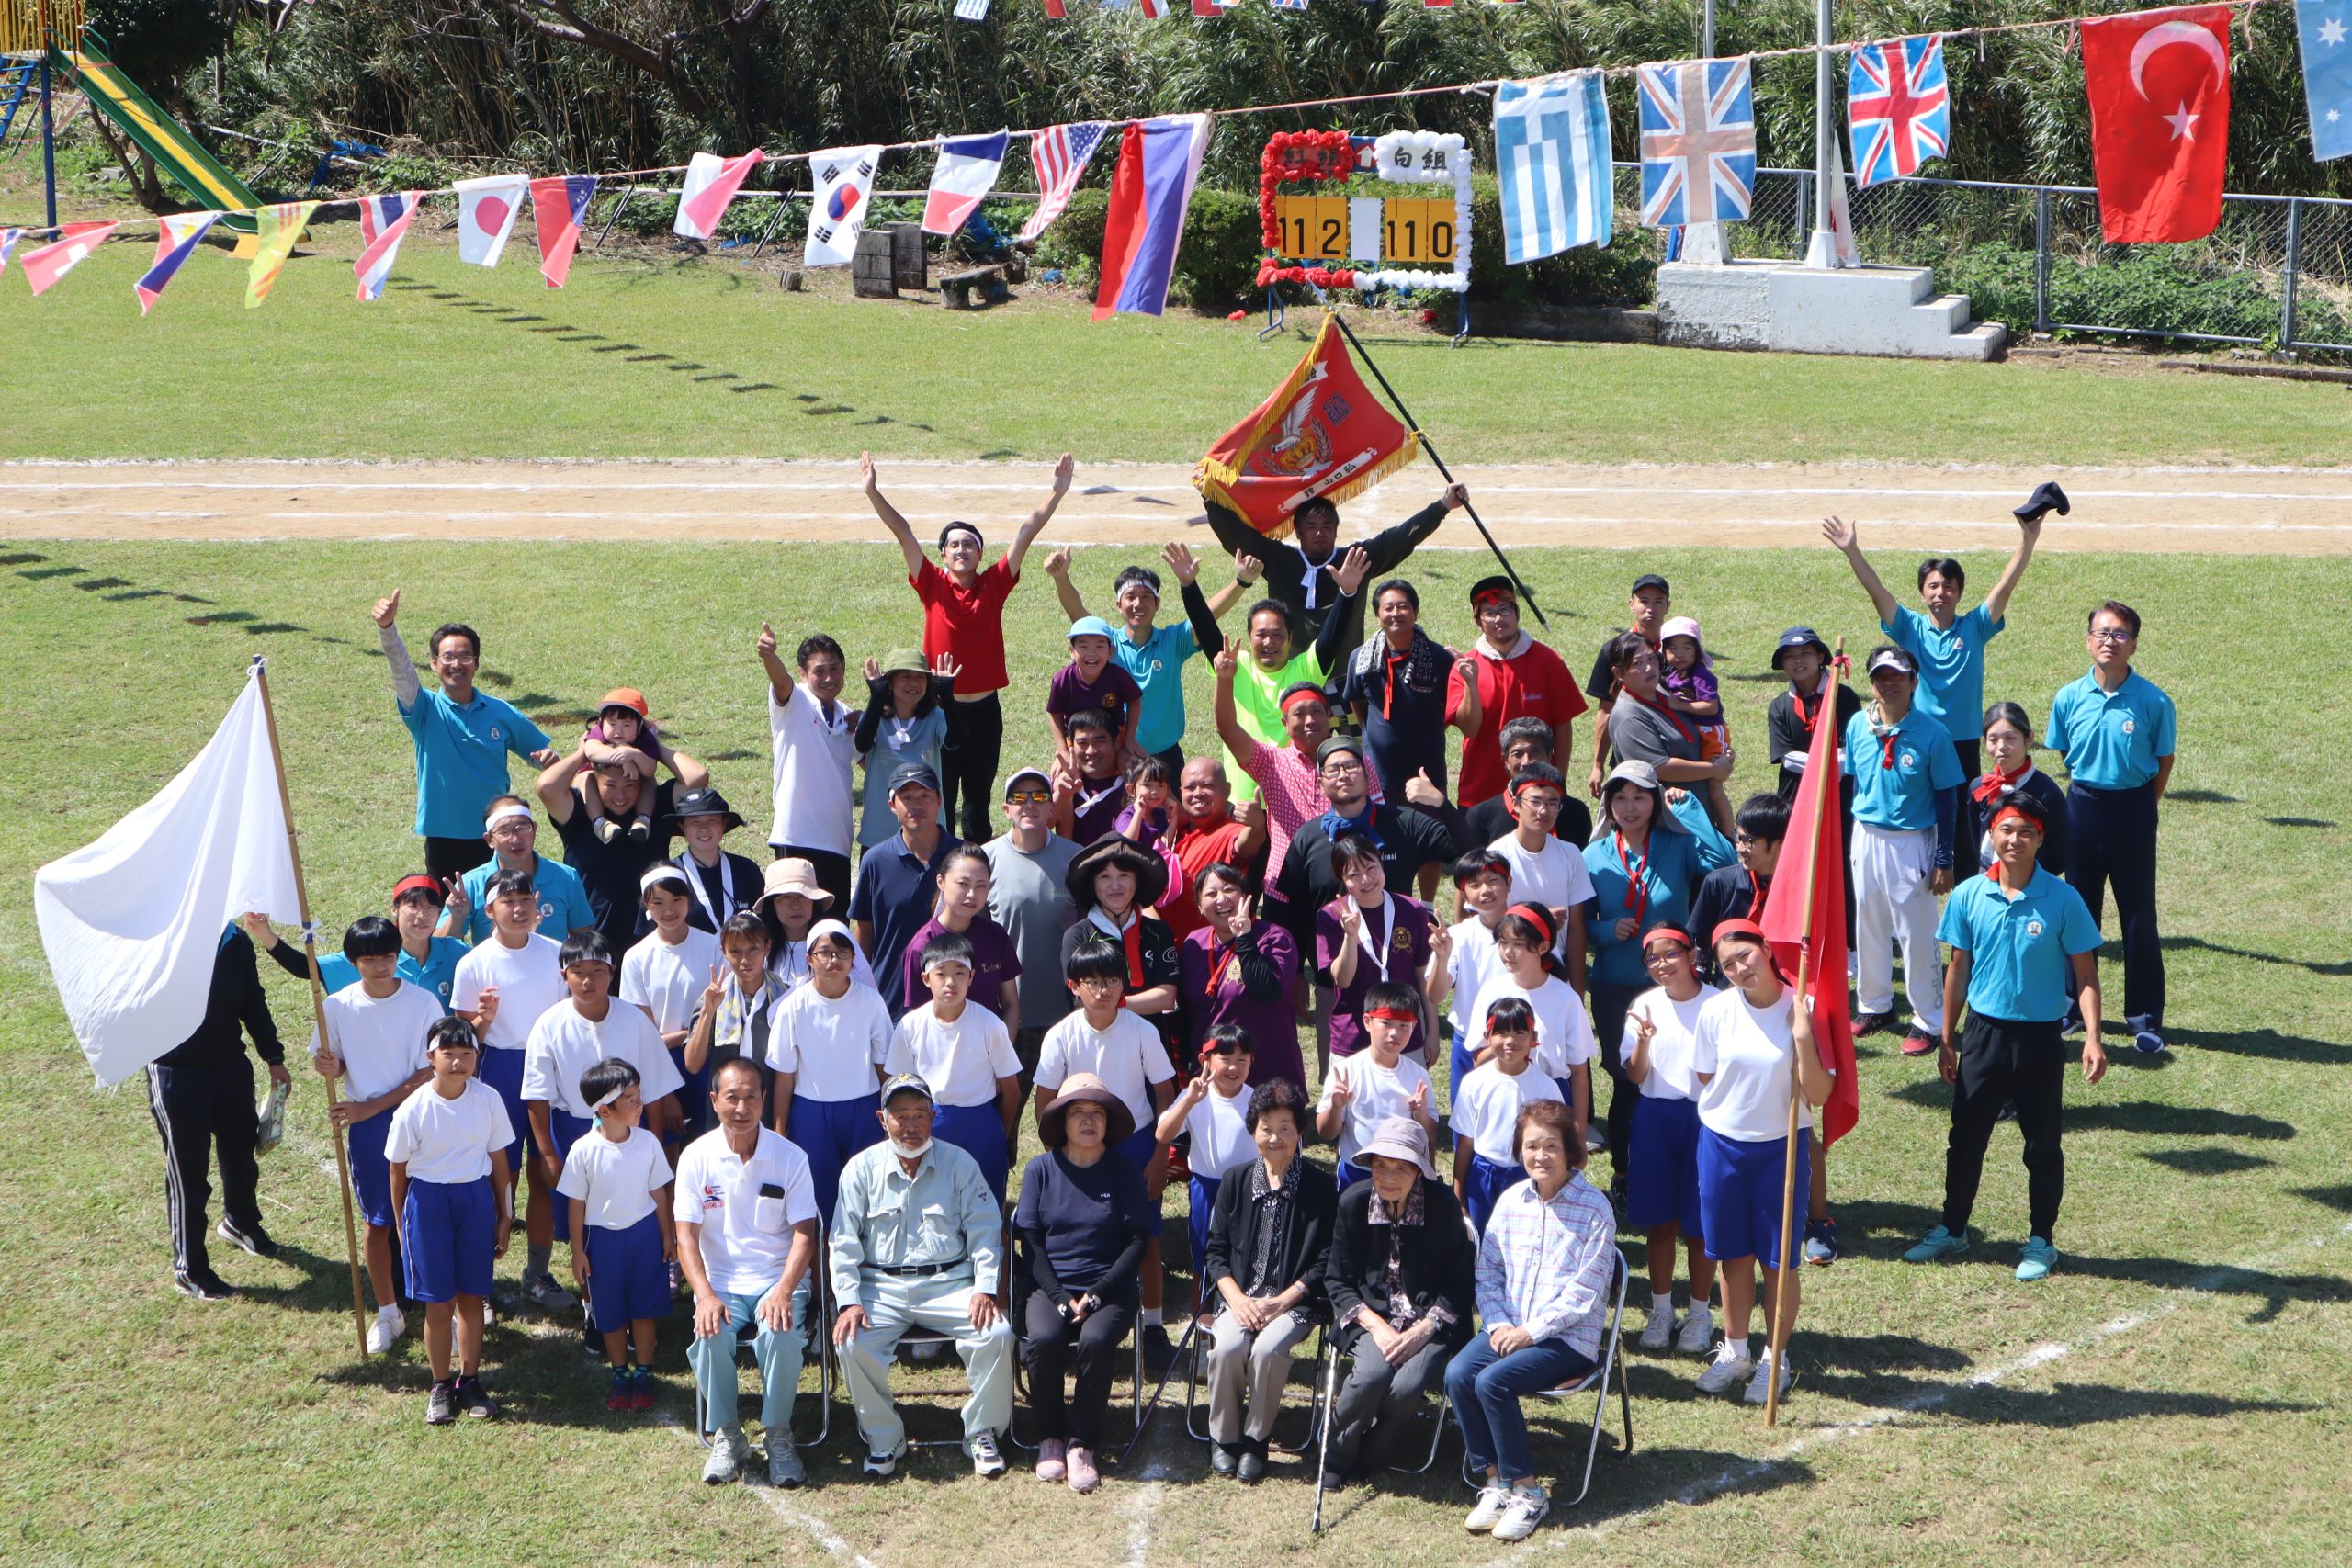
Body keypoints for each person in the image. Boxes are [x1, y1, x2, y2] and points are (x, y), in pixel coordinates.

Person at [1907, 792, 2108, 1280]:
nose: (2014, 840)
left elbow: (2086, 976)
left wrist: (2094, 1037)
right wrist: (1948, 1038)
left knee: (2041, 1143)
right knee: (1966, 1136)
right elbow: (1958, 969)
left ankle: (2041, 1240)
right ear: (1991, 837)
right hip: (1983, 1034)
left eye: (2025, 832)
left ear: (2041, 839)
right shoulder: (1970, 895)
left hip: (2039, 1039)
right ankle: (1952, 1229)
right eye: (2006, 830)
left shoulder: (2063, 899)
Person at [866, 448, 1071, 842]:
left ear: (980, 553)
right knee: (941, 799)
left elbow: (1026, 531)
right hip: (939, 709)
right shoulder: (931, 584)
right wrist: (873, 492)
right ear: (942, 555)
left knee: (977, 803)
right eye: (953, 545)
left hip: (985, 711)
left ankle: (976, 877)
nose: (961, 550)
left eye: (969, 544)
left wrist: (1057, 493)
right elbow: (903, 532)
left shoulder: (994, 583)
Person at [1445, 1100, 1617, 1543]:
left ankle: (1528, 1492)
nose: (1540, 1156)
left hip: (1566, 1339)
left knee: (1493, 1382)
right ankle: (1496, 1481)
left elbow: (1585, 1294)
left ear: (1571, 1151)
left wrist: (1529, 1332)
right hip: (1510, 1330)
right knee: (1460, 1373)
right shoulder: (1509, 1202)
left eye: (1551, 1146)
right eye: (1531, 1146)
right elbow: (1489, 1274)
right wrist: (1501, 1324)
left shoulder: (1595, 1209)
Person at [831, 1074, 1015, 1479]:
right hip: (880, 1286)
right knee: (852, 1340)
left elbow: (986, 1231)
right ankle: (884, 1436)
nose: (911, 1126)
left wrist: (986, 1289)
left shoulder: (960, 1164)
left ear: (934, 1117)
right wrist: (849, 1300)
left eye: (919, 1115)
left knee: (997, 1336)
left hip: (950, 1283)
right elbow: (842, 1243)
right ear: (883, 1119)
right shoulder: (859, 1170)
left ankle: (981, 1431)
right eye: (901, 1116)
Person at [1689, 921, 1833, 1405]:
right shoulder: (1715, 1010)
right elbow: (1707, 1074)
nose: (1738, 969)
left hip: (1781, 1146)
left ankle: (1776, 1356)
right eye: (1727, 965)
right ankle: (1734, 1351)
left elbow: (1819, 1092)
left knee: (1779, 1260)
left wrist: (1802, 1035)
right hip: (1722, 1144)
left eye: (1745, 957)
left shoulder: (1805, 1007)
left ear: (1768, 949)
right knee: (1732, 1254)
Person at [1824, 501, 2046, 796]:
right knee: (1923, 817)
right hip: (1920, 736)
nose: (1941, 592)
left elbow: (2005, 587)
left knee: (1963, 826)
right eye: (1933, 586)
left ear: (1960, 593)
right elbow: (1877, 592)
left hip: (1964, 741)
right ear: (1922, 592)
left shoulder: (1976, 626)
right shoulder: (1908, 627)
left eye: (1949, 586)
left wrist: (2027, 540)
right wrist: (1852, 550)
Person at [1584, 760, 1735, 1182]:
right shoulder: (1592, 855)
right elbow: (1583, 925)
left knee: (1683, 1076)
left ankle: (1688, 1167)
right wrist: (1607, 931)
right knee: (1628, 1080)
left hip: (1675, 984)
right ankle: (1625, 1174)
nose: (1630, 807)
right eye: (1620, 798)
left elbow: (1723, 862)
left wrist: (1691, 812)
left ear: (1655, 801)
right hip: (1615, 984)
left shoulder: (1677, 844)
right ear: (1609, 804)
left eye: (1640, 797)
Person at [677, 1055, 820, 1488]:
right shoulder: (695, 1157)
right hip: (720, 1282)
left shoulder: (790, 1157)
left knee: (779, 1330)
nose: (742, 1108)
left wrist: (782, 1291)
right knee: (710, 1334)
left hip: (778, 1277)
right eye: (732, 1098)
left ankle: (778, 1434)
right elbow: (686, 1237)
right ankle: (727, 1434)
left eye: (751, 1098)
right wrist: (704, 1295)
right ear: (714, 1100)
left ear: (764, 1100)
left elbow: (805, 1235)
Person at [1015, 1073, 1161, 1493]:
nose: (1088, 1120)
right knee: (1042, 1338)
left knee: (1096, 1341)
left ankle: (1082, 1443)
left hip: (1110, 1289)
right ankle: (1049, 1436)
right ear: (1061, 1121)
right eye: (1078, 1112)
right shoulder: (1040, 1170)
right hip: (1051, 1286)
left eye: (1096, 1112)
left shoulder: (1125, 1171)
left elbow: (1137, 1243)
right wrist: (1062, 1299)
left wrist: (1096, 1294)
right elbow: (1032, 1244)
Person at [1037, 941, 1180, 1366]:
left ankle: (1153, 1324)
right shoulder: (1061, 1034)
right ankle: (1074, 1312)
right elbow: (1045, 1102)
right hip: (1077, 1145)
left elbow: (1165, 1094)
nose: (1103, 991)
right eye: (1093, 982)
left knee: (1146, 1234)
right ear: (1073, 986)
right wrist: (1058, 1159)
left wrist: (1159, 1155)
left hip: (1134, 1141)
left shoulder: (1142, 1031)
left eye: (1112, 981)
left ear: (1125, 984)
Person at [1321, 1115, 1476, 1491]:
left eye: (1401, 1169)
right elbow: (1337, 1280)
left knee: (1408, 1387)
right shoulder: (1353, 1204)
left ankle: (1375, 1448)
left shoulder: (1443, 1207)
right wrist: (1377, 1326)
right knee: (1372, 1375)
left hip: (1430, 1321)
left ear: (1419, 1171)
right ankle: (1338, 1453)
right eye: (1380, 1167)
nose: (1389, 1177)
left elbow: (1459, 1286)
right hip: (1371, 1316)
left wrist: (1423, 1330)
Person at [2048, 600, 2176, 1052]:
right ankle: (2070, 1007)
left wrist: (2140, 803)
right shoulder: (2067, 697)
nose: (2110, 641)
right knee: (2077, 912)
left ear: (2134, 643)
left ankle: (2144, 1017)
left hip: (2134, 811)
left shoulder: (2154, 700)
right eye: (2102, 633)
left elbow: (2163, 761)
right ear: (2088, 640)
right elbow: (2065, 753)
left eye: (2120, 634)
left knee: (2139, 914)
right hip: (2082, 807)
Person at [523, 933, 686, 1282]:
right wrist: (549, 1154)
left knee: (635, 1205)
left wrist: (653, 1142)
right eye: (577, 971)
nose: (588, 980)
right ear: (563, 976)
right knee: (584, 1213)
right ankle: (592, 1301)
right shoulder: (548, 1024)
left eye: (598, 970)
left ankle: (654, 1269)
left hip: (632, 1129)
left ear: (612, 973)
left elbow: (654, 1089)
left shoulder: (634, 1020)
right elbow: (536, 1096)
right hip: (573, 1129)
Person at [310, 916, 437, 1350]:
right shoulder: (337, 1008)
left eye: (387, 957)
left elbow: (431, 1070)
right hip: (369, 1131)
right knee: (377, 1221)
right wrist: (330, 1066)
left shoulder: (422, 1004)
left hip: (421, 1119)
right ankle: (387, 1313)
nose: (381, 966)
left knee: (430, 1214)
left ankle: (444, 1305)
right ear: (353, 962)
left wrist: (373, 1105)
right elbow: (334, 1061)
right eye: (370, 960)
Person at [448, 868, 573, 1313]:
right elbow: (464, 1042)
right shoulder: (473, 963)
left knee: (544, 1173)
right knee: (499, 1177)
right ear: (490, 909)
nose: (519, 910)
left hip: (548, 1070)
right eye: (508, 902)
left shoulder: (558, 955)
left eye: (526, 901)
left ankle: (536, 1274)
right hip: (497, 1071)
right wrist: (481, 1019)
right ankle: (480, 1282)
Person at [1199, 1076, 1336, 1483]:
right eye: (1266, 1128)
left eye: (1285, 1129)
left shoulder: (1319, 1187)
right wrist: (1238, 1300)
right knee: (1226, 1347)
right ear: (1253, 1129)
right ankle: (1223, 1438)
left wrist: (1281, 1302)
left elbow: (1325, 1259)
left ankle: (1256, 1439)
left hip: (1293, 1303)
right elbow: (1215, 1252)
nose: (1274, 1138)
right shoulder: (1235, 1181)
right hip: (1238, 1297)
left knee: (1268, 1350)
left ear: (1299, 1133)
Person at [370, 590, 557, 883]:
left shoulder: (500, 711)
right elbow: (401, 672)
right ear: (433, 664)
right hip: (443, 837)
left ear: (476, 664)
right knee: (447, 919)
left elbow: (541, 756)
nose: (456, 664)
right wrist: (387, 629)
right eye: (447, 657)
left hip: (496, 834)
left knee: (499, 914)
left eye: (465, 656)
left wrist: (546, 761)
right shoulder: (424, 709)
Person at [386, 1016, 514, 1424]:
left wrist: (505, 1215)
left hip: (474, 1201)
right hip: (428, 1203)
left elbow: (499, 1162)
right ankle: (441, 1384)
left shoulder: (489, 1099)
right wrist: (403, 1226)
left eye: (466, 1054)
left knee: (471, 1298)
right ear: (431, 1057)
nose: (458, 1062)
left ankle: (470, 1379)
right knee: (438, 1304)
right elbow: (397, 1170)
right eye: (449, 1054)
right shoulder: (414, 1108)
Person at [1047, 540, 1262, 773]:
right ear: (1119, 605)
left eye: (1146, 597)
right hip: (1119, 757)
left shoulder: (1173, 641)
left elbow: (1207, 615)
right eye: (1130, 597)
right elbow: (1077, 613)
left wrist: (1242, 581)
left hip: (1167, 756)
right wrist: (1061, 578)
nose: (1138, 603)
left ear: (1157, 603)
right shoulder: (1106, 644)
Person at [1844, 647, 1966, 1054]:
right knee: (1869, 922)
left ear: (1914, 682)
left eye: (1897, 676)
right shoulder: (1857, 726)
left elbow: (1948, 797)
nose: (1888, 683)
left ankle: (1928, 1018)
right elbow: (1854, 781)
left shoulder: (1933, 734)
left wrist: (1945, 858)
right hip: (1865, 835)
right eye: (1880, 676)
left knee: (1915, 932)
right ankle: (1874, 1004)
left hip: (1912, 840)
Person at [1205, 481, 1467, 653]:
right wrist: (1210, 496)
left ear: (1336, 530)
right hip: (1291, 672)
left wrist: (1442, 507)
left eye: (1327, 526)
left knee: (1344, 740)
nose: (1319, 532)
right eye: (1311, 526)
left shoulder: (1354, 561)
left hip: (1342, 677)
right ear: (1297, 532)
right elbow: (1237, 535)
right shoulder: (1279, 560)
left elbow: (1400, 538)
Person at [1620, 928, 1721, 1356]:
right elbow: (1636, 1075)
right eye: (1653, 959)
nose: (1662, 964)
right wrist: (1643, 1042)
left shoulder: (1717, 1003)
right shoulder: (1644, 1005)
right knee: (1661, 1222)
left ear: (1690, 954)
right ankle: (1662, 1309)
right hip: (1655, 1118)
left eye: (1671, 954)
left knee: (1700, 1226)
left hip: (1703, 1118)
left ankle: (1699, 1312)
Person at [559, 1057, 676, 1414]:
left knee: (644, 1310)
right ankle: (620, 1373)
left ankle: (644, 1372)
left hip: (643, 1238)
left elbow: (659, 1192)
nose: (640, 1105)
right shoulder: (584, 1150)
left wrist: (667, 1235)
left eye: (639, 1096)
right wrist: (578, 1251)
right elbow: (576, 1204)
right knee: (610, 1313)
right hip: (602, 1242)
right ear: (605, 1110)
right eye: (631, 1100)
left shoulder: (648, 1143)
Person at [1192, 571, 1365, 809]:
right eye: (1261, 635)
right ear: (1250, 638)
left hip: (1296, 801)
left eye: (1277, 635)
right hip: (1243, 803)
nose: (1268, 642)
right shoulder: (1235, 665)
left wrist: (1347, 594)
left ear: (1290, 638)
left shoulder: (1306, 668)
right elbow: (1204, 626)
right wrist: (1188, 585)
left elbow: (1331, 639)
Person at [1274, 733, 1460, 944]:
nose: (1343, 775)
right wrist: (1298, 973)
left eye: (1351, 766)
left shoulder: (1403, 823)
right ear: (1321, 783)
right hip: (1335, 969)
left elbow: (1465, 847)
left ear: (1368, 775)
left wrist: (1440, 803)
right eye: (1332, 770)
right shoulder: (1308, 837)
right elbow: (1294, 911)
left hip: (1401, 959)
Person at [537, 739, 712, 956]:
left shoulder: (654, 811)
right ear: (594, 782)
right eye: (610, 786)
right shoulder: (580, 813)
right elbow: (546, 787)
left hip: (651, 942)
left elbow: (697, 778)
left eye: (630, 786)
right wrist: (585, 751)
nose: (621, 796)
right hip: (593, 944)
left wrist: (653, 747)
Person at [768, 917, 893, 1223]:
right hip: (812, 1113)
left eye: (842, 952)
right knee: (818, 1199)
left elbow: (884, 1069)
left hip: (863, 1110)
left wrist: (892, 1119)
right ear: (809, 958)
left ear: (853, 959)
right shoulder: (792, 1007)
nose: (834, 959)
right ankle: (821, 1266)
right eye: (824, 952)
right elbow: (783, 1080)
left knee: (865, 1195)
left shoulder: (871, 1002)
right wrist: (779, 1137)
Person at [884, 932, 1023, 1203]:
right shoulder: (911, 1025)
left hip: (981, 1123)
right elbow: (895, 1086)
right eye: (941, 973)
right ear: (925, 979)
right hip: (930, 1122)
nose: (951, 982)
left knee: (985, 1201)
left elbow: (1011, 1090)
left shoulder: (990, 1024)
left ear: (971, 977)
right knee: (932, 1201)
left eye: (960, 973)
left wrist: (997, 1131)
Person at [1338, 578, 1486, 806]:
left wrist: (1430, 728)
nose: (1396, 613)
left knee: (1430, 835)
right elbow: (1358, 703)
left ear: (1415, 612)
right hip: (1378, 775)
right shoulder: (1361, 659)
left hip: (1427, 774)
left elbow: (1450, 712)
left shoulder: (1438, 658)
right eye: (1388, 608)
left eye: (1403, 606)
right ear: (1377, 616)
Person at [1156, 1024, 1266, 1323]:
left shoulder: (1259, 1100)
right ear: (1206, 1061)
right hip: (1207, 1190)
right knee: (1204, 1262)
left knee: (1249, 1259)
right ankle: (1204, 1332)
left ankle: (1245, 1323)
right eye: (1225, 1059)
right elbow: (1163, 1134)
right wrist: (1190, 1100)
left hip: (1250, 1190)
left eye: (1242, 1059)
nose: (1234, 1067)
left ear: (1252, 1062)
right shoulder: (1194, 1096)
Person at [248, 872, 471, 1010]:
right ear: (394, 909)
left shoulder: (456, 951)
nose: (422, 916)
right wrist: (266, 935)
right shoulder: (376, 954)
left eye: (431, 908)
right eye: (413, 906)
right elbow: (306, 968)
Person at [982, 766, 1083, 1068]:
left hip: (1067, 1013)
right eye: (1019, 797)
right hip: (1009, 1014)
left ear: (1052, 806)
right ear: (1006, 809)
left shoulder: (1076, 859)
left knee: (1069, 1112)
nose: (1030, 804)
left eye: (1039, 796)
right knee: (1006, 1112)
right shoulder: (985, 860)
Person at [1458, 578, 1587, 810]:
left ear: (1517, 613)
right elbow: (1469, 729)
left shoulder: (1548, 661)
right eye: (1489, 613)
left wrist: (1558, 780)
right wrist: (1470, 684)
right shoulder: (1466, 667)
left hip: (1538, 795)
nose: (1499, 618)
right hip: (1480, 797)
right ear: (1478, 621)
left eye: (1505, 609)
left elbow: (1563, 725)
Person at [1313, 833, 1440, 1068]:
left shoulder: (1412, 910)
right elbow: (1343, 980)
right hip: (1353, 1036)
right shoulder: (1331, 916)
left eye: (1371, 868)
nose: (1365, 879)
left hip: (1404, 1033)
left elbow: (1423, 976)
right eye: (1353, 875)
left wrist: (1432, 1030)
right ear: (1342, 879)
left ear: (1381, 864)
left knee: (1409, 1102)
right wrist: (1350, 936)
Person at [757, 625, 859, 912]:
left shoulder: (846, 714)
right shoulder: (795, 701)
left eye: (835, 669)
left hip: (838, 842)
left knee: (833, 928)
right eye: (818, 671)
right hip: (797, 837)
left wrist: (874, 720)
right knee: (794, 928)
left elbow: (865, 761)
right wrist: (769, 656)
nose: (828, 678)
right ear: (802, 673)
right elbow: (781, 683)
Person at [849, 763, 962, 1020]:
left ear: (939, 801)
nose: (916, 805)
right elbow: (865, 932)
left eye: (925, 796)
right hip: (889, 1004)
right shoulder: (875, 861)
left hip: (953, 1005)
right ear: (892, 805)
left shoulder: (963, 858)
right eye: (907, 797)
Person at [1058, 834, 1183, 1066]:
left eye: (1124, 876)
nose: (1115, 886)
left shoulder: (1158, 932)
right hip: (1095, 1043)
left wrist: (1116, 1003)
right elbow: (1078, 999)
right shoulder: (1077, 936)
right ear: (1093, 884)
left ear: (1137, 881)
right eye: (1105, 877)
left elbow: (1167, 997)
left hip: (1151, 1040)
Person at [1178, 863, 1304, 1090]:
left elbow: (1268, 991)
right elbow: (1188, 1012)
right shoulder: (1193, 943)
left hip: (1267, 1072)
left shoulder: (1274, 937)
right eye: (1210, 893)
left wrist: (1244, 939)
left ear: (1245, 896)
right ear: (1199, 905)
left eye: (1228, 890)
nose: (1221, 899)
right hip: (1213, 1073)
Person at [1464, 905, 1596, 1119]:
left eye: (1518, 944)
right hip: (1502, 1092)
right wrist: (1515, 1047)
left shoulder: (1566, 998)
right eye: (1503, 943)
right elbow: (1478, 1059)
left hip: (1551, 1098)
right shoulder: (1491, 991)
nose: (1508, 952)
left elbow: (1579, 1071)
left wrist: (1579, 1134)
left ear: (1543, 947)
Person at [1450, 996, 1569, 1235]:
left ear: (1534, 1039)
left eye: (1520, 1033)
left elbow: (1559, 1145)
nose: (1510, 1041)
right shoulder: (1474, 1083)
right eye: (1501, 1033)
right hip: (1483, 1176)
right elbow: (1465, 1144)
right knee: (1483, 1241)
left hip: (1528, 1175)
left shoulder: (1547, 1088)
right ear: (1487, 1037)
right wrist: (1459, 1198)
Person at [1595, 632, 1737, 818]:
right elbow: (1658, 767)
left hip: (1695, 817)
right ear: (1619, 673)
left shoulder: (1662, 690)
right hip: (1667, 825)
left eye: (1651, 659)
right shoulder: (1627, 716)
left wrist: (1721, 754)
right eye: (1638, 663)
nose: (1649, 668)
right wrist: (1713, 769)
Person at [622, 864, 722, 1125]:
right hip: (658, 1061)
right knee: (667, 1142)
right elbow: (641, 1032)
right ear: (646, 905)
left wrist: (685, 1036)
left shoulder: (713, 946)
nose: (669, 910)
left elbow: (724, 1013)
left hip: (708, 1058)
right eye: (658, 902)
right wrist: (664, 1093)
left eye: (677, 900)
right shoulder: (636, 957)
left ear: (689, 899)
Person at [1317, 979, 1441, 1188]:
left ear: (1414, 1026)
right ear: (1367, 1021)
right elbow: (1325, 1131)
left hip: (1403, 1174)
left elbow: (1430, 1133)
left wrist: (1421, 1115)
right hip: (1356, 1173)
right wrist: (1335, 1106)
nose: (1395, 1033)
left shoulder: (1418, 1075)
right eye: (1386, 1023)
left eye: (1404, 1025)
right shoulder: (1346, 1071)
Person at [684, 911, 789, 1134]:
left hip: (771, 1105)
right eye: (735, 951)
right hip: (726, 1108)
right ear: (723, 952)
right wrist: (708, 1012)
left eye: (753, 949)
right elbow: (692, 1064)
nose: (745, 960)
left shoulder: (786, 998)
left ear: (767, 948)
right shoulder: (712, 997)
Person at [898, 844, 1023, 1029]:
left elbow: (1010, 1004)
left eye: (981, 886)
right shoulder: (920, 947)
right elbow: (917, 1019)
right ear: (941, 881)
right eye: (963, 884)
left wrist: (1001, 1051)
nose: (972, 894)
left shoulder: (996, 935)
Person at [1424, 849, 1513, 1098]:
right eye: (1474, 884)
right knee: (1466, 1127)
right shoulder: (1459, 935)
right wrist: (1442, 959)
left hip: (1516, 1041)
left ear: (1509, 883)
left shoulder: (1527, 933)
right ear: (1464, 894)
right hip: (1468, 1041)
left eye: (1493, 881)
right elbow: (1436, 995)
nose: (1485, 890)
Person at [1428, 717, 1593, 852]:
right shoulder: (1481, 815)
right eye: (1517, 754)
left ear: (1550, 756)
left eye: (1535, 752)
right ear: (1506, 761)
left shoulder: (1575, 813)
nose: (1527, 762)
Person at [1484, 765, 1598, 955]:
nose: (1544, 811)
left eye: (1553, 803)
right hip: (1507, 963)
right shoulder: (1496, 855)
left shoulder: (1571, 854)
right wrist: (1538, 921)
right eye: (1535, 801)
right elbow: (1486, 919)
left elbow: (1576, 927)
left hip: (1556, 964)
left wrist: (1575, 985)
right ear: (1516, 804)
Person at [450, 797, 594, 946]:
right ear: (489, 840)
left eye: (522, 828)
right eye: (504, 831)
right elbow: (443, 948)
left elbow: (583, 940)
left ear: (535, 829)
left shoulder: (566, 877)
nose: (515, 839)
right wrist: (456, 918)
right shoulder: (472, 883)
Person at [854, 647, 959, 851]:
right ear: (890, 682)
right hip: (879, 833)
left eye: (920, 678)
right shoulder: (876, 716)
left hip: (928, 833)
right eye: (905, 677)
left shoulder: (935, 716)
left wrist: (948, 699)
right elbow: (862, 743)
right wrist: (876, 698)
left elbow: (955, 741)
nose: (914, 683)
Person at [1582, 574, 1671, 798]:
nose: (1650, 608)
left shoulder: (1680, 650)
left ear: (1668, 606)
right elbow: (1606, 710)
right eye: (1644, 600)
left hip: (1676, 753)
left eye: (1658, 601)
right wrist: (1597, 765)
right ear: (1631, 604)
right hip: (1628, 756)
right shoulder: (1613, 651)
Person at [1961, 703, 2072, 880]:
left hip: (2032, 885)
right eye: (1993, 739)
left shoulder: (2046, 792)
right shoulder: (1979, 788)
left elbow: (2061, 852)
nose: (2001, 746)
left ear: (2028, 739)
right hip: (1988, 880)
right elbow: (1976, 839)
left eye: (2010, 738)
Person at [1161, 758, 1266, 943]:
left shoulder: (1230, 831)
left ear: (1226, 790)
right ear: (1180, 792)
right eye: (1190, 788)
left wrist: (1257, 826)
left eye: (1207, 785)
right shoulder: (1172, 829)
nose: (1198, 793)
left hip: (1205, 953)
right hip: (1163, 952)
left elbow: (1246, 845)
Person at [571, 688, 688, 845]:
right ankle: (599, 822)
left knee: (649, 780)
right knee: (584, 778)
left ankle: (643, 820)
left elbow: (650, 769)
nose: (618, 731)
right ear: (601, 721)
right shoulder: (597, 731)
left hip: (633, 781)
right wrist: (622, 758)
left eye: (627, 725)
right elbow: (591, 751)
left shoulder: (645, 736)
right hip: (595, 780)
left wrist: (635, 755)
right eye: (612, 723)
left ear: (639, 726)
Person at [1690, 793, 1788, 970]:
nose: (1739, 848)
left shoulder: (1800, 890)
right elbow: (1701, 946)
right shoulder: (1718, 883)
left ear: (1778, 844)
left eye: (1748, 841)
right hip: (1731, 986)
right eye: (1738, 837)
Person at [1657, 615, 1735, 833]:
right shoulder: (1673, 674)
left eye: (1687, 648)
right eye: (1673, 649)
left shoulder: (1701, 674)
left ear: (1697, 650)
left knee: (1714, 784)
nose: (1680, 654)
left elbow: (1710, 706)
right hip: (1696, 733)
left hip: (1711, 731)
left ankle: (1729, 833)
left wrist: (1681, 706)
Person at [1766, 626, 1860, 804]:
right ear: (1783, 664)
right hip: (1795, 794)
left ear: (1820, 657)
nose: (1798, 661)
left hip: (1840, 793)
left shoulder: (1844, 698)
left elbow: (1848, 751)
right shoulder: (1779, 707)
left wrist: (1829, 770)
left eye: (1805, 653)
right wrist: (1823, 767)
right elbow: (1788, 758)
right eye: (1790, 656)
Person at [756, 856, 877, 992]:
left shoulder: (838, 937)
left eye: (803, 897)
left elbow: (868, 991)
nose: (795, 906)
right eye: (785, 898)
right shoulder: (758, 945)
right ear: (771, 904)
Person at [664, 786, 763, 934]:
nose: (704, 828)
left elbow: (765, 922)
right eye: (695, 822)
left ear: (724, 824)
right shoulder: (669, 875)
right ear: (682, 827)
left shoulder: (746, 869)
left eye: (712, 820)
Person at [1048, 615, 1146, 763]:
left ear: (1110, 652)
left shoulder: (1118, 676)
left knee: (1134, 768)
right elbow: (1055, 714)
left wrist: (1130, 739)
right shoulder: (1062, 680)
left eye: (1099, 646)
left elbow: (1135, 702)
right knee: (1065, 775)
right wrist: (1062, 749)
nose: (1091, 653)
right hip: (1077, 741)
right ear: (1071, 651)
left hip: (1115, 738)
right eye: (1083, 646)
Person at [1049, 707, 1130, 848]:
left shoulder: (1131, 785)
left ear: (1117, 741)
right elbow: (1038, 829)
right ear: (1071, 745)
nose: (1091, 751)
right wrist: (1062, 795)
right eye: (1082, 743)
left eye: (1099, 742)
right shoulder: (1062, 782)